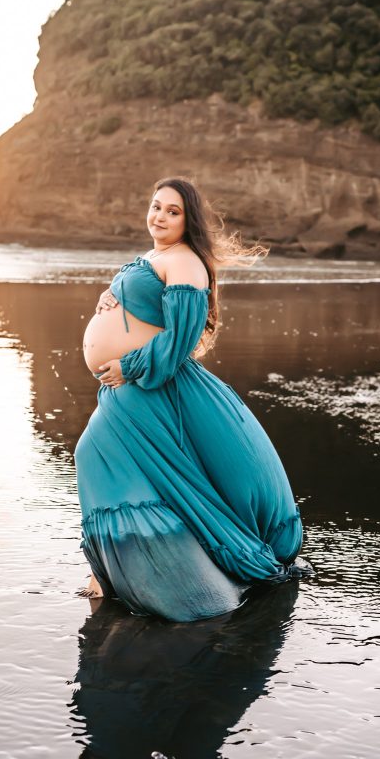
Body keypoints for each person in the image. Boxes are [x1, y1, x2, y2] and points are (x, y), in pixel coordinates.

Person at [74, 176, 310, 622]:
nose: (160, 216)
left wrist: (130, 365)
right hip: (128, 392)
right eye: (156, 205)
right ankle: (107, 573)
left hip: (148, 386)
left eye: (173, 211)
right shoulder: (155, 256)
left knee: (97, 457)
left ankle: (169, 581)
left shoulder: (185, 262)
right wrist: (113, 295)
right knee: (122, 470)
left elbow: (180, 338)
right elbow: (145, 307)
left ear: (189, 220)